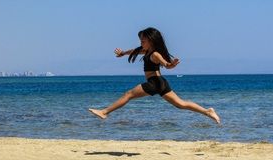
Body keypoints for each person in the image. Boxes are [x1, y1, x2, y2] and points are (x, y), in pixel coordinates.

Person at [89, 27, 220, 124]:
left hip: (155, 82)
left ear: (151, 41)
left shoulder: (155, 54)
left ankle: (104, 112)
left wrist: (172, 64)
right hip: (161, 82)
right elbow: (134, 51)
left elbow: (166, 65)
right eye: (140, 40)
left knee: (128, 94)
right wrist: (122, 53)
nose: (141, 42)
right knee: (181, 104)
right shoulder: (146, 51)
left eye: (143, 40)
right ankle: (207, 111)